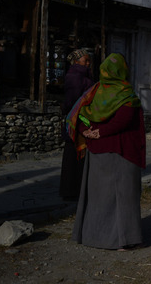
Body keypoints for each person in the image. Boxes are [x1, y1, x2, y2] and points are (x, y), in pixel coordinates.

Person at [68, 53, 146, 251]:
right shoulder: (126, 95)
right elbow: (124, 120)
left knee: (99, 197)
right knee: (124, 196)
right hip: (121, 153)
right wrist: (98, 131)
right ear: (122, 72)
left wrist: (88, 130)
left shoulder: (94, 93)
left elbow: (81, 115)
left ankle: (93, 237)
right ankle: (123, 241)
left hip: (97, 152)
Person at [59, 49, 94, 201]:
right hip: (76, 119)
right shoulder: (74, 77)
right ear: (76, 62)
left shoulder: (83, 76)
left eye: (88, 61)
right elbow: (71, 101)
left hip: (81, 118)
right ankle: (72, 190)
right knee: (74, 155)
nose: (88, 63)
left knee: (77, 155)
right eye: (85, 61)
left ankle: (76, 189)